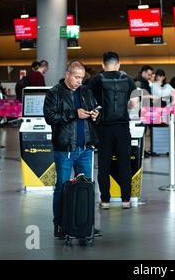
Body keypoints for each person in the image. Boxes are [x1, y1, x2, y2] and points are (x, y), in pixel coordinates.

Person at [43, 60, 101, 239]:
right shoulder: (54, 93)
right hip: (65, 149)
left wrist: (95, 115)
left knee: (87, 188)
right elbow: (50, 117)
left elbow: (96, 111)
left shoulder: (86, 91)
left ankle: (84, 224)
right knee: (62, 187)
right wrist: (74, 114)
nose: (79, 81)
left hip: (85, 148)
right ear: (67, 74)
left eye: (82, 78)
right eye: (76, 77)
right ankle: (60, 224)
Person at [88, 52, 138, 210]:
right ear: (118, 64)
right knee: (125, 164)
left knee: (104, 164)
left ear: (103, 65)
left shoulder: (96, 79)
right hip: (123, 127)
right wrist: (126, 106)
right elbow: (134, 103)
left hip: (104, 127)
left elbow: (87, 98)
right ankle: (126, 201)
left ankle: (105, 201)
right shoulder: (128, 79)